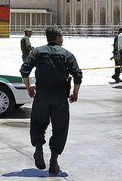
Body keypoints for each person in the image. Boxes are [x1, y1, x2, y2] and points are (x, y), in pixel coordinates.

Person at [20, 26, 83, 174]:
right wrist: (75, 92)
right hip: (60, 97)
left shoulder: (36, 52)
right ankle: (54, 162)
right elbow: (78, 75)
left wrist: (28, 86)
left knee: (37, 122)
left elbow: (24, 70)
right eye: (62, 36)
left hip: (41, 95)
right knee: (60, 127)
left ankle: (38, 149)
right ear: (58, 37)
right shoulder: (66, 54)